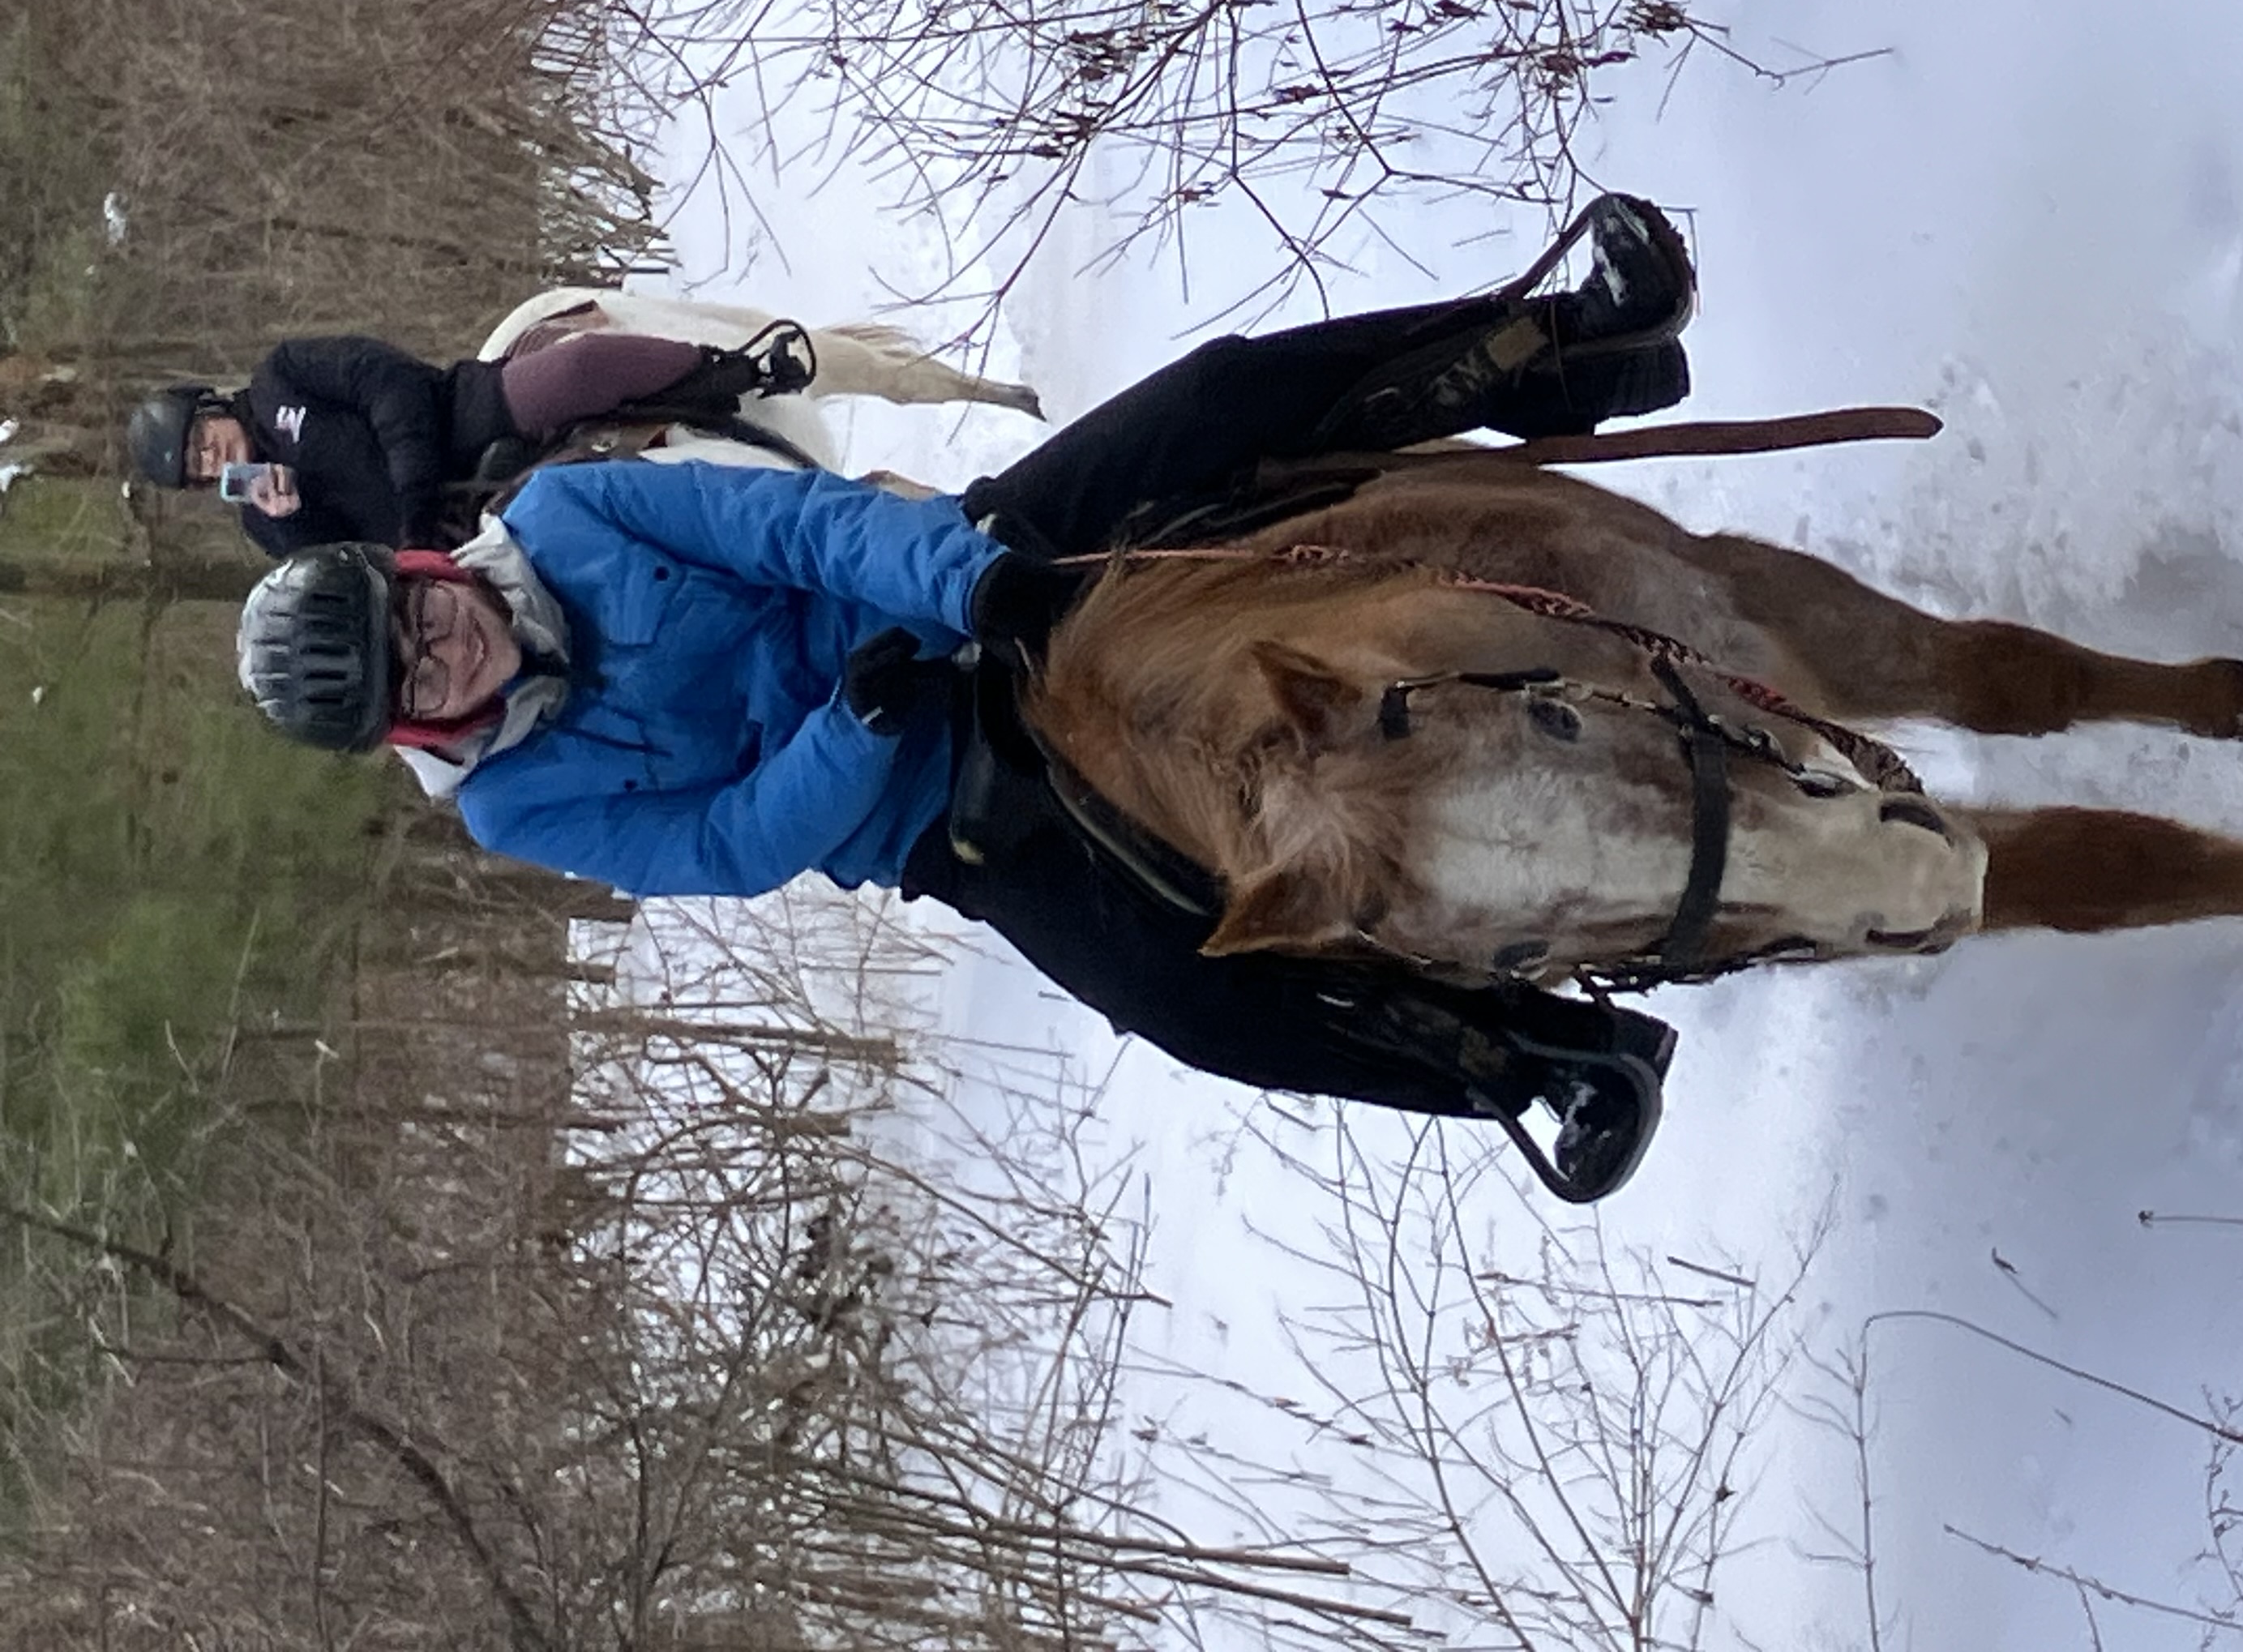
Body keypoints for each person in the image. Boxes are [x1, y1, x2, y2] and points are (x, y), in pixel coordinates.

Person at [230, 199, 1699, 1195]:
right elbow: (726, 843)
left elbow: (791, 531)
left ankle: (1563, 341)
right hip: (938, 804)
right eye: (414, 679)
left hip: (964, 584)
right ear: (411, 729)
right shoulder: (512, 801)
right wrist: (858, 725)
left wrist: (967, 587)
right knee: (1178, 998)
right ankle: (1535, 1057)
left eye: (414, 612)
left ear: (419, 564)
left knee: (1210, 399)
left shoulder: (563, 518)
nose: (443, 647)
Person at [128, 323, 817, 556]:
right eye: (195, 469)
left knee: (575, 367)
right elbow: (345, 574)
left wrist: (414, 495)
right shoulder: (265, 523)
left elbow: (387, 383)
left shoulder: (282, 377)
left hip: (467, 422)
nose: (208, 459)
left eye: (200, 440)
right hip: (450, 549)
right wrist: (297, 518)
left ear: (211, 406)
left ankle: (734, 367)